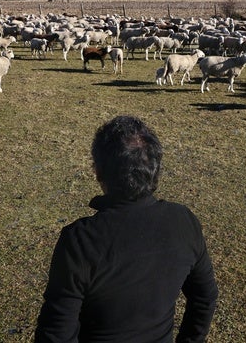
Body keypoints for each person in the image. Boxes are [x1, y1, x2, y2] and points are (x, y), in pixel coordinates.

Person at [34, 115, 218, 343]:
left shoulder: (80, 241)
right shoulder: (184, 222)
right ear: (156, 168)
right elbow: (205, 296)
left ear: (98, 172)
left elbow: (56, 332)